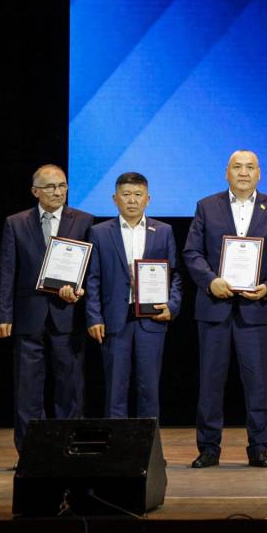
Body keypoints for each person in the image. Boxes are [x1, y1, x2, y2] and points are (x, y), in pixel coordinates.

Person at [182, 151, 267, 468]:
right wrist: (210, 281)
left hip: (255, 309)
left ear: (259, 174)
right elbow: (192, 253)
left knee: (257, 382)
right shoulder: (206, 206)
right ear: (226, 172)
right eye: (237, 167)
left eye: (250, 167)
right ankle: (208, 448)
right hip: (213, 306)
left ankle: (259, 447)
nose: (244, 172)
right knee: (210, 381)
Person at [0, 164, 94, 456]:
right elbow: (7, 271)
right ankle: (30, 454)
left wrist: (80, 291)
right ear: (35, 191)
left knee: (70, 386)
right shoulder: (16, 223)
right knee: (27, 388)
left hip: (68, 313)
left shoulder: (85, 220)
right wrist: (2, 314)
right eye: (50, 187)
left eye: (62, 186)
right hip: (29, 315)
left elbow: (92, 270)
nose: (58, 192)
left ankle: (69, 449)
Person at [84, 172, 182, 420]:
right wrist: (94, 317)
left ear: (147, 199)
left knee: (149, 389)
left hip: (152, 318)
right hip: (114, 320)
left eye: (138, 195)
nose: (132, 200)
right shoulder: (99, 232)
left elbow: (175, 275)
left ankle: (149, 443)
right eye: (126, 194)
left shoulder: (164, 231)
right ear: (115, 199)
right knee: (115, 389)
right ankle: (116, 444)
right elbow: (92, 278)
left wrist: (173, 305)